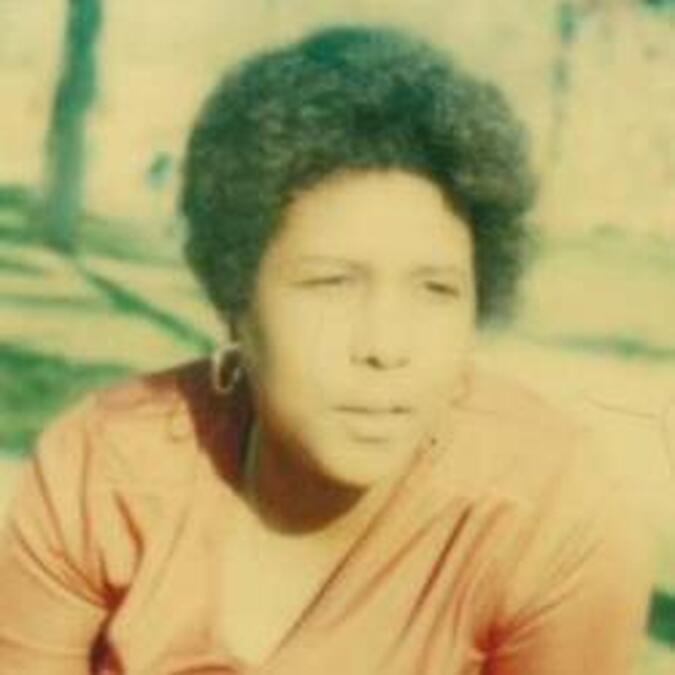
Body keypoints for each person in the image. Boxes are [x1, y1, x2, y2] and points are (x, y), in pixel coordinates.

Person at [0, 25, 652, 675]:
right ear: (234, 298)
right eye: (331, 283)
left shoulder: (550, 518)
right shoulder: (105, 472)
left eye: (436, 289)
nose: (385, 347)